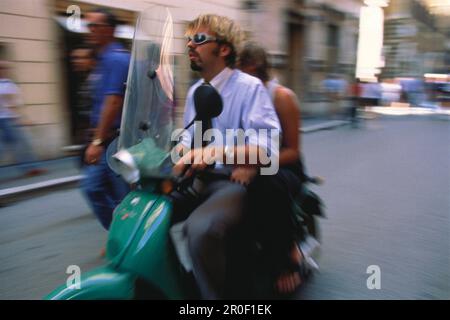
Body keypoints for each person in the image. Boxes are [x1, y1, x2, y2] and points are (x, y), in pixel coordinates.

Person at [171, 14, 281, 299]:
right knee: (150, 218)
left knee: (199, 230)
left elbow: (267, 150)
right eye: (188, 40)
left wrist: (218, 151)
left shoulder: (249, 88)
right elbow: (188, 135)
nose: (190, 46)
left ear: (224, 49)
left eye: (199, 39)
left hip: (230, 181)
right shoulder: (197, 91)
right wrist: (177, 151)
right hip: (195, 179)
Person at [237, 42, 307, 294]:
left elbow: (292, 150)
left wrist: (257, 164)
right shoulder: (241, 97)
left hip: (284, 166)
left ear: (253, 68)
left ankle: (288, 256)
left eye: (240, 71)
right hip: (249, 162)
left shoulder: (282, 97)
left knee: (266, 184)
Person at [80, 9, 130, 230]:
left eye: (95, 26)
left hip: (114, 142)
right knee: (97, 189)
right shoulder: (102, 60)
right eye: (88, 25)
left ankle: (127, 237)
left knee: (116, 194)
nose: (89, 30)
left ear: (109, 29)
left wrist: (98, 142)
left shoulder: (116, 58)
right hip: (107, 140)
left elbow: (113, 102)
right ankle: (120, 234)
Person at [0, 60, 46, 177]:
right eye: (3, 68)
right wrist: (22, 118)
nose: (6, 70)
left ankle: (30, 167)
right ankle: (31, 167)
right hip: (8, 119)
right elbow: (11, 104)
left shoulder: (6, 83)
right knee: (23, 143)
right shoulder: (5, 85)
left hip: (7, 118)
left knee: (8, 145)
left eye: (5, 68)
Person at [70, 47, 96, 146]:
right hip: (86, 131)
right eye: (74, 58)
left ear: (92, 60)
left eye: (82, 58)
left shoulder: (95, 78)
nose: (77, 61)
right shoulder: (82, 78)